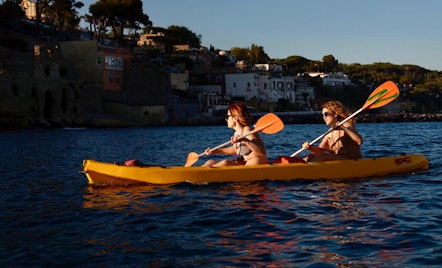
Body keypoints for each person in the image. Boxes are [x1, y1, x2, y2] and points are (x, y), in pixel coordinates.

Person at [202, 103, 268, 167]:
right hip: (247, 165)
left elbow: (261, 152)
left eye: (227, 117)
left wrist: (244, 140)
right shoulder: (237, 133)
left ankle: (206, 174)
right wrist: (216, 151)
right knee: (210, 162)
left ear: (235, 118)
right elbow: (236, 149)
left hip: (256, 167)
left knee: (226, 163)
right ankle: (198, 172)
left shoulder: (248, 131)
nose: (226, 119)